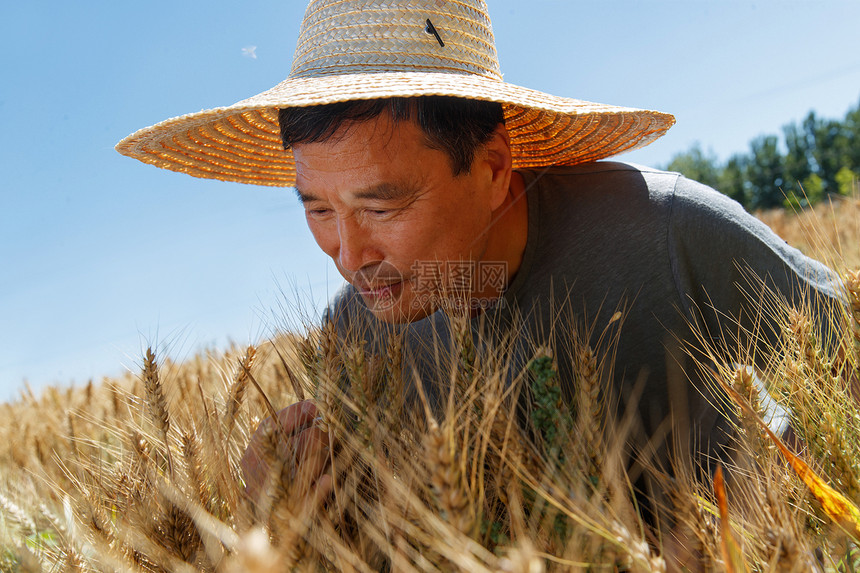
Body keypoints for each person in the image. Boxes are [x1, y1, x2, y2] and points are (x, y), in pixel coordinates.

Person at [116, 0, 842, 506]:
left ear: (494, 169)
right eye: (317, 211)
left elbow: (846, 365)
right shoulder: (354, 342)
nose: (348, 254)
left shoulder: (668, 229)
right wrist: (268, 524)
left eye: (382, 205)